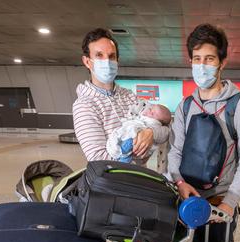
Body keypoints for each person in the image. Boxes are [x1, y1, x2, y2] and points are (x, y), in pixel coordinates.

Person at [167, 23, 240, 242]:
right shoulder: (186, 106)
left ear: (222, 62)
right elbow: (175, 150)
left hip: (220, 202)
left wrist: (231, 200)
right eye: (197, 59)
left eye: (209, 59)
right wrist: (179, 183)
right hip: (186, 196)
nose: (202, 65)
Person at [72, 28, 169, 165]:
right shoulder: (84, 105)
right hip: (113, 183)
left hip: (138, 178)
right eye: (99, 55)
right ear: (87, 62)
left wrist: (151, 133)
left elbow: (165, 129)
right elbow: (99, 159)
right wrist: (137, 155)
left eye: (111, 56)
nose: (106, 61)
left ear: (117, 60)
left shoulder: (129, 96)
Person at [106, 101, 172, 163]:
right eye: (150, 109)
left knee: (133, 136)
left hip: (136, 152)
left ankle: (125, 153)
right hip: (111, 162)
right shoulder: (147, 110)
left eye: (152, 111)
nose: (148, 109)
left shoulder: (134, 98)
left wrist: (152, 132)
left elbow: (167, 131)